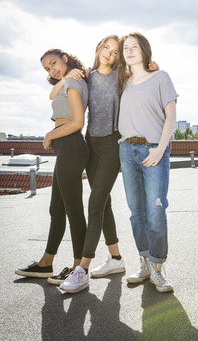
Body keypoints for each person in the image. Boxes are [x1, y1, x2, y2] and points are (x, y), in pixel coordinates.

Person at [59, 35, 159, 293]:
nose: (110, 54)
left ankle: (81, 270)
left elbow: (145, 74)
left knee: (95, 204)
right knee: (104, 204)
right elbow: (60, 91)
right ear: (98, 48)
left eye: (116, 52)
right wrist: (68, 76)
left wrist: (151, 67)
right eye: (107, 48)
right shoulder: (87, 76)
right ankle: (116, 259)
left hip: (112, 146)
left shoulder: (122, 76)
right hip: (90, 143)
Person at [15, 49, 89, 283]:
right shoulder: (68, 80)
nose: (52, 69)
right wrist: (64, 77)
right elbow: (51, 96)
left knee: (73, 211)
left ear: (65, 58)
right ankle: (46, 263)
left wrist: (50, 134)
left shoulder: (74, 84)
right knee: (56, 210)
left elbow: (78, 122)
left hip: (71, 146)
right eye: (47, 68)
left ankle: (79, 269)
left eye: (54, 63)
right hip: (65, 148)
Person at [117, 32, 178, 293]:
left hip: (154, 150)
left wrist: (160, 150)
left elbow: (171, 117)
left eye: (135, 47)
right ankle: (143, 262)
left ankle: (157, 268)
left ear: (144, 50)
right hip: (126, 151)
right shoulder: (121, 81)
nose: (130, 51)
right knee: (136, 212)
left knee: (156, 210)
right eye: (126, 48)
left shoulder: (161, 77)